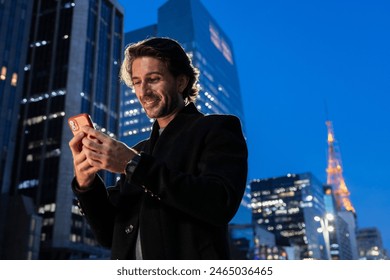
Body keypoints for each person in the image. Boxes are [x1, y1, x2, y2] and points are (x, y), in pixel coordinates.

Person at [69, 37, 248, 260]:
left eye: (153, 79)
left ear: (181, 82)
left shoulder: (218, 128)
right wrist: (87, 185)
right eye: (136, 82)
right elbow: (109, 235)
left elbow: (220, 203)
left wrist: (132, 164)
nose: (143, 91)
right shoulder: (139, 151)